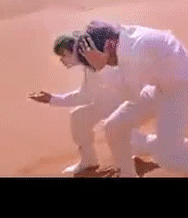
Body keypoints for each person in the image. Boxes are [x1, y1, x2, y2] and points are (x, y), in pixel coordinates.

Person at [75, 21, 188, 178]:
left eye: (106, 60)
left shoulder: (136, 50)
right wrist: (94, 51)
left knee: (168, 157)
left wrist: (101, 67)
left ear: (109, 44)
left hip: (182, 90)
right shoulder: (121, 39)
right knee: (114, 126)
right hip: (160, 85)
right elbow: (99, 29)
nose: (107, 64)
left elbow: (130, 95)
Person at [28, 32, 153, 175]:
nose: (62, 60)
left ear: (75, 50)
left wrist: (52, 99)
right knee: (79, 116)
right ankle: (89, 160)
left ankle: (168, 146)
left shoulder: (94, 63)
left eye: (64, 55)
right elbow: (87, 94)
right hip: (108, 103)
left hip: (127, 105)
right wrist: (51, 99)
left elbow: (85, 96)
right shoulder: (89, 63)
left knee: (138, 144)